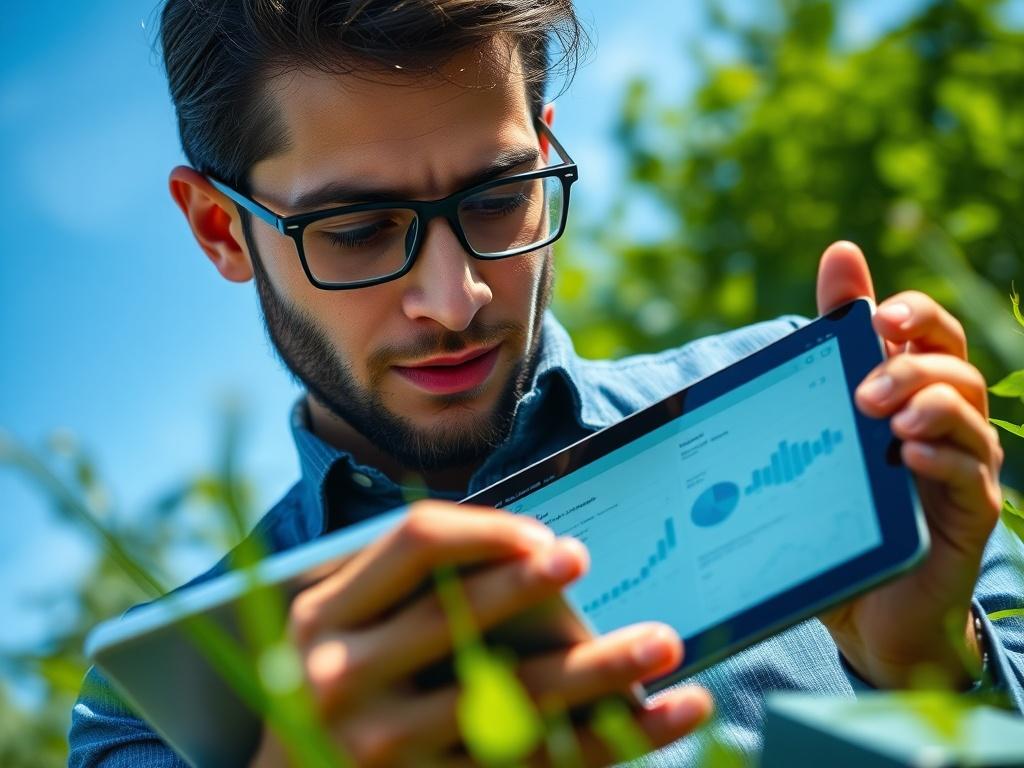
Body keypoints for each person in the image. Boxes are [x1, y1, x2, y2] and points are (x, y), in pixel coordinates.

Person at [69, 0, 1022, 765]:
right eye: (355, 230)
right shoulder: (153, 705)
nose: (455, 298)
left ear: (545, 147)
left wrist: (935, 670)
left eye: (496, 197)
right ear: (218, 229)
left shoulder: (838, 411)